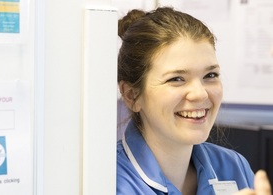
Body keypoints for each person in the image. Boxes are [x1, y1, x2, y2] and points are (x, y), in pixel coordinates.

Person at [116, 6, 271, 195]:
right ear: (132, 95)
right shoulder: (109, 180)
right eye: (176, 79)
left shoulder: (233, 166)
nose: (201, 94)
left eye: (210, 75)